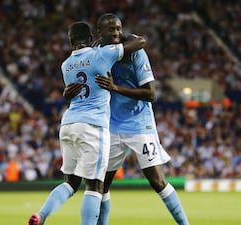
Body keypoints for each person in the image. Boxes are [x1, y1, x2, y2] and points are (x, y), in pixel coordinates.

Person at [28, 21, 146, 225]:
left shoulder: (65, 65)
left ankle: (41, 215)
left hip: (68, 124)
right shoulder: (101, 54)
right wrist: (115, 39)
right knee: (95, 186)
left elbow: (73, 91)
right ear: (91, 39)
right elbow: (139, 43)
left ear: (70, 41)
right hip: (93, 126)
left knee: (71, 182)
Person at [93, 13, 190, 225]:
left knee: (158, 181)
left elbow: (151, 94)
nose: (117, 33)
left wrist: (116, 88)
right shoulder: (98, 54)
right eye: (111, 30)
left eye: (119, 29)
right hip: (111, 126)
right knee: (101, 185)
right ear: (100, 33)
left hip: (140, 125)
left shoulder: (137, 53)